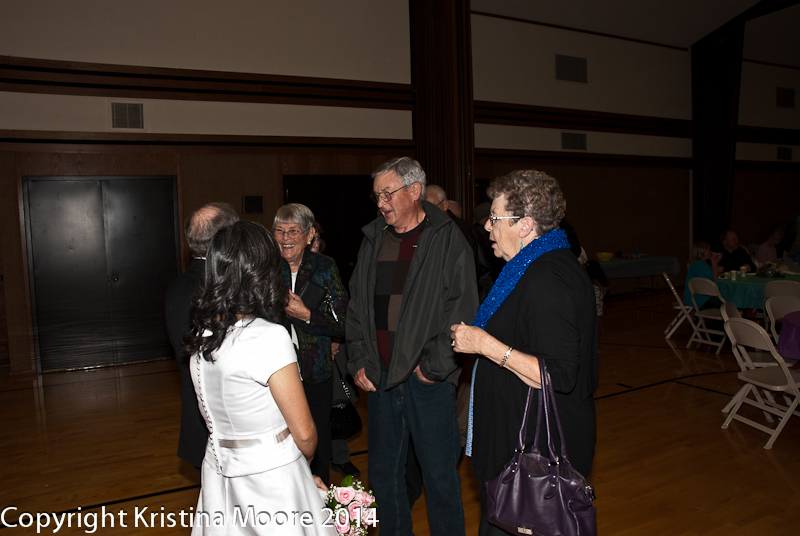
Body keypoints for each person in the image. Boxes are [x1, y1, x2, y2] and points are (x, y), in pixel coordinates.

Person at [449, 169, 598, 536]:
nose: (487, 226)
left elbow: (559, 374)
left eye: (494, 217)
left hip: (533, 456)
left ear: (525, 225)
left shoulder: (547, 278)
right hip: (518, 444)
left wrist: (484, 344)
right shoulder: (527, 267)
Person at [347, 156, 479, 536]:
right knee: (384, 478)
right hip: (380, 379)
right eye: (376, 195)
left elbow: (463, 309)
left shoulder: (447, 238)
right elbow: (356, 308)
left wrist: (432, 370)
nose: (380, 203)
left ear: (415, 190)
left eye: (387, 194)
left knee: (440, 479)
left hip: (427, 383)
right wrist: (359, 360)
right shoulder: (373, 239)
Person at [184, 221, 333, 535]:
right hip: (270, 479)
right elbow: (305, 434)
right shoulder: (268, 337)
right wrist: (301, 469)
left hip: (218, 475)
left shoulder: (203, 334)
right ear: (262, 272)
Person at [275, 204, 348, 486]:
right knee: (281, 444)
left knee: (318, 444)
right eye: (279, 231)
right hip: (276, 375)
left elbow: (344, 323)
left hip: (316, 373)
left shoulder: (324, 267)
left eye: (293, 231)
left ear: (309, 235)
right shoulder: (266, 268)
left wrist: (307, 315)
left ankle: (318, 504)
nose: (286, 238)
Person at [164, 202, 239, 473]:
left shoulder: (177, 285)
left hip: (197, 416)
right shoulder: (219, 290)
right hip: (226, 425)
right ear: (227, 241)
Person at [306, 221, 361, 479]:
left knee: (336, 402)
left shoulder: (327, 264)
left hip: (331, 344)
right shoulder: (286, 267)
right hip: (305, 347)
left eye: (317, 239)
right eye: (311, 240)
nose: (314, 244)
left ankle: (340, 458)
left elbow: (340, 306)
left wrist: (336, 339)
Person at [426, 184, 495, 301]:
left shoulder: (466, 231)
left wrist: (479, 305)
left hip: (465, 301)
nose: (428, 213)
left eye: (432, 207)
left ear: (445, 205)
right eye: (423, 208)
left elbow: (485, 272)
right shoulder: (421, 231)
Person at [684, 241, 723, 310]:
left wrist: (716, 262)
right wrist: (713, 261)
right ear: (702, 251)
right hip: (698, 298)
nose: (711, 252)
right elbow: (714, 277)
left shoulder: (700, 263)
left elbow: (712, 273)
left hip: (701, 296)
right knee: (724, 305)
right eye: (709, 250)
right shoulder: (698, 264)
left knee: (723, 302)